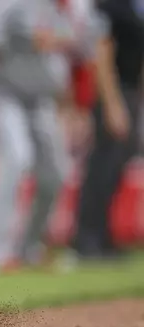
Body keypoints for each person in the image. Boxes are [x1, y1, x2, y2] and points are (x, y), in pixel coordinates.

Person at [0, 0, 99, 272]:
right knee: (16, 159)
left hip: (43, 101)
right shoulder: (13, 3)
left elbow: (83, 60)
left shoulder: (80, 10)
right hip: (6, 96)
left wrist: (82, 108)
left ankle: (29, 249)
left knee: (57, 173)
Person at [71, 0, 144, 260]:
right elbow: (102, 52)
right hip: (114, 92)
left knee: (116, 166)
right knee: (103, 165)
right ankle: (87, 238)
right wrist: (113, 103)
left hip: (129, 92)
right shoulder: (110, 6)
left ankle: (102, 237)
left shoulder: (130, 8)